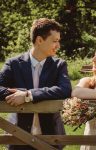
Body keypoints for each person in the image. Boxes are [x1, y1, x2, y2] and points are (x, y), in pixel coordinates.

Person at [0, 18, 72, 150]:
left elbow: (65, 90)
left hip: (51, 136)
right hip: (18, 136)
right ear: (39, 40)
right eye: (55, 41)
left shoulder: (59, 65)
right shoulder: (13, 64)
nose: (58, 45)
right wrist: (18, 93)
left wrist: (28, 95)